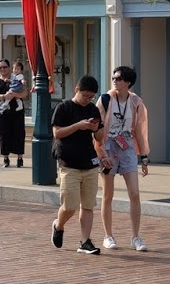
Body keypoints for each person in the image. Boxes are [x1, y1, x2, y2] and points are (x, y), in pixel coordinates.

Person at [99, 66, 152, 251]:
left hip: (127, 145)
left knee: (134, 193)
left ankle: (136, 237)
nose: (114, 80)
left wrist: (144, 156)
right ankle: (108, 235)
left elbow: (140, 129)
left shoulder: (136, 101)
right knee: (108, 194)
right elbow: (97, 128)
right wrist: (100, 152)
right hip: (108, 146)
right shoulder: (105, 99)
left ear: (127, 82)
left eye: (119, 78)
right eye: (113, 77)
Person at [50, 75, 104, 254]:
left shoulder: (93, 110)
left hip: (89, 162)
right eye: (85, 96)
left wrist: (96, 129)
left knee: (88, 205)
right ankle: (59, 225)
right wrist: (78, 126)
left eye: (91, 97)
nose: (88, 100)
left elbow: (100, 137)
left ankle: (85, 241)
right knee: (70, 206)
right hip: (69, 163)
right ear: (76, 90)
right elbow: (57, 133)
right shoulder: (63, 108)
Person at [0, 59, 26, 168]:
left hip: (16, 112)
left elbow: (24, 93)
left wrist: (14, 95)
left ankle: (20, 158)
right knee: (4, 135)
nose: (3, 69)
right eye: (0, 68)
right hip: (3, 113)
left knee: (18, 133)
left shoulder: (15, 79)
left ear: (9, 68)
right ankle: (5, 158)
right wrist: (4, 96)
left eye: (5, 67)